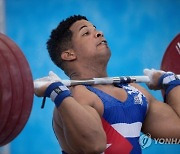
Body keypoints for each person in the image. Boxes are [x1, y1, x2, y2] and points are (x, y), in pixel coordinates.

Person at [34, 15, 180, 154]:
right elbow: (95, 145)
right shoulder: (75, 97)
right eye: (86, 33)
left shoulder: (135, 91)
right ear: (69, 54)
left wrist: (170, 82)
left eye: (95, 29)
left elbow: (177, 131)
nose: (99, 33)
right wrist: (56, 92)